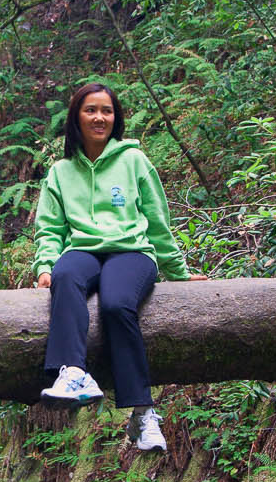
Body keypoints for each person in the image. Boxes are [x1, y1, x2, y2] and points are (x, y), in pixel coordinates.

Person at [32, 82, 188, 453]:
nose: (99, 117)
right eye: (90, 110)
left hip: (131, 252)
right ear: (76, 118)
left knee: (117, 303)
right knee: (66, 275)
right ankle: (72, 373)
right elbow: (50, 228)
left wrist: (178, 271)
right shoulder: (61, 172)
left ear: (115, 118)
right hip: (83, 251)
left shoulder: (133, 161)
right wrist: (44, 267)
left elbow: (157, 221)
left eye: (106, 110)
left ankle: (143, 413)